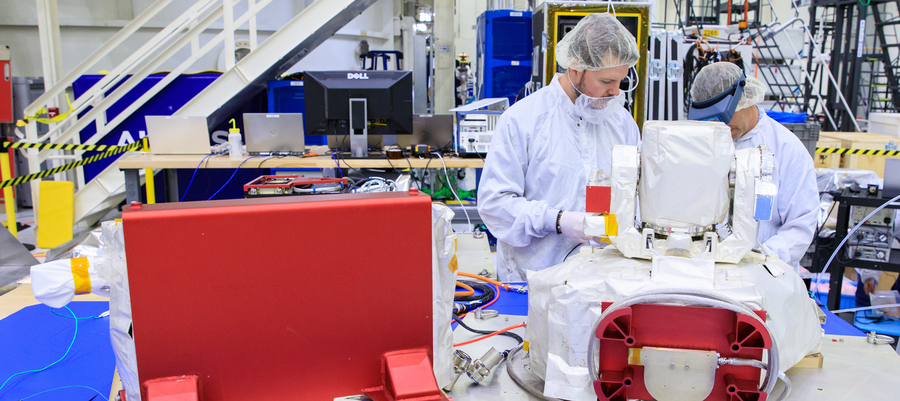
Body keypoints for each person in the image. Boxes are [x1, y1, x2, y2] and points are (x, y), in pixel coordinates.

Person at [477, 13, 641, 281]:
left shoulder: (621, 123)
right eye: (606, 82)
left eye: (620, 81)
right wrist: (557, 220)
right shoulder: (524, 120)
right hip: (535, 282)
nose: (616, 92)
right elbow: (495, 205)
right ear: (576, 68)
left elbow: (636, 195)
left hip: (603, 282)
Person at [690, 62, 818, 268]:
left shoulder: (786, 149)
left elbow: (801, 225)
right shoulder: (697, 141)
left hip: (762, 273)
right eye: (710, 119)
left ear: (746, 99)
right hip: (701, 269)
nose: (719, 126)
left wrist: (758, 258)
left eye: (724, 116)